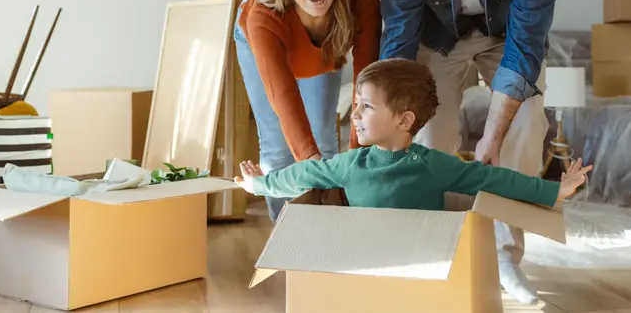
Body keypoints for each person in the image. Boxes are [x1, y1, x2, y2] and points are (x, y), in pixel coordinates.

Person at [378, 0, 561, 304]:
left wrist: (492, 138)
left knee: (524, 125)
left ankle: (504, 258)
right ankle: (433, 249)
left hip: (506, 38)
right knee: (424, 133)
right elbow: (398, 40)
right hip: (437, 40)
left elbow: (525, 46)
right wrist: (386, 118)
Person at [234, 58, 589, 217]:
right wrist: (260, 185)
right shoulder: (351, 164)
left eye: (366, 107)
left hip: (423, 262)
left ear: (404, 120)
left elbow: (492, 179)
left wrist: (553, 190)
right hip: (365, 264)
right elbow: (304, 174)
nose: (354, 115)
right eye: (356, 105)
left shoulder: (434, 165)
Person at [234, 0, 381, 221]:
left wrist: (356, 159)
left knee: (324, 139)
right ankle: (287, 235)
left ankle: (325, 229)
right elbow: (284, 97)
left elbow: (365, 88)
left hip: (321, 52)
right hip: (260, 40)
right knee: (278, 148)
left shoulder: (363, 2)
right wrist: (313, 170)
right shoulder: (263, 17)